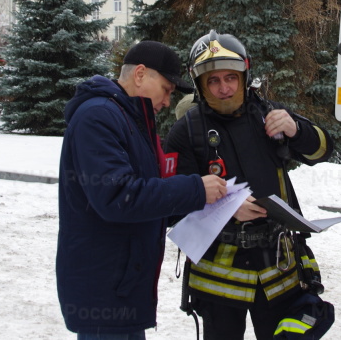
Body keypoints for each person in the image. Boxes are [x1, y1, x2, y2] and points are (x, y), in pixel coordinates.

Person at [165, 30, 334, 340]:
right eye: (213, 81)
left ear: (244, 75)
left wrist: (297, 130)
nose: (224, 88)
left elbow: (323, 150)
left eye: (231, 78)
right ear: (200, 85)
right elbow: (171, 207)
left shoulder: (269, 114)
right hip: (217, 278)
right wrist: (226, 209)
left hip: (277, 270)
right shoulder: (185, 133)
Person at [56, 40, 228, 339]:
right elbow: (118, 196)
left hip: (122, 286)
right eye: (165, 90)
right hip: (104, 289)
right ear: (139, 74)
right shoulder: (98, 117)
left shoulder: (127, 119)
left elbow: (147, 193)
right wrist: (195, 190)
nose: (166, 102)